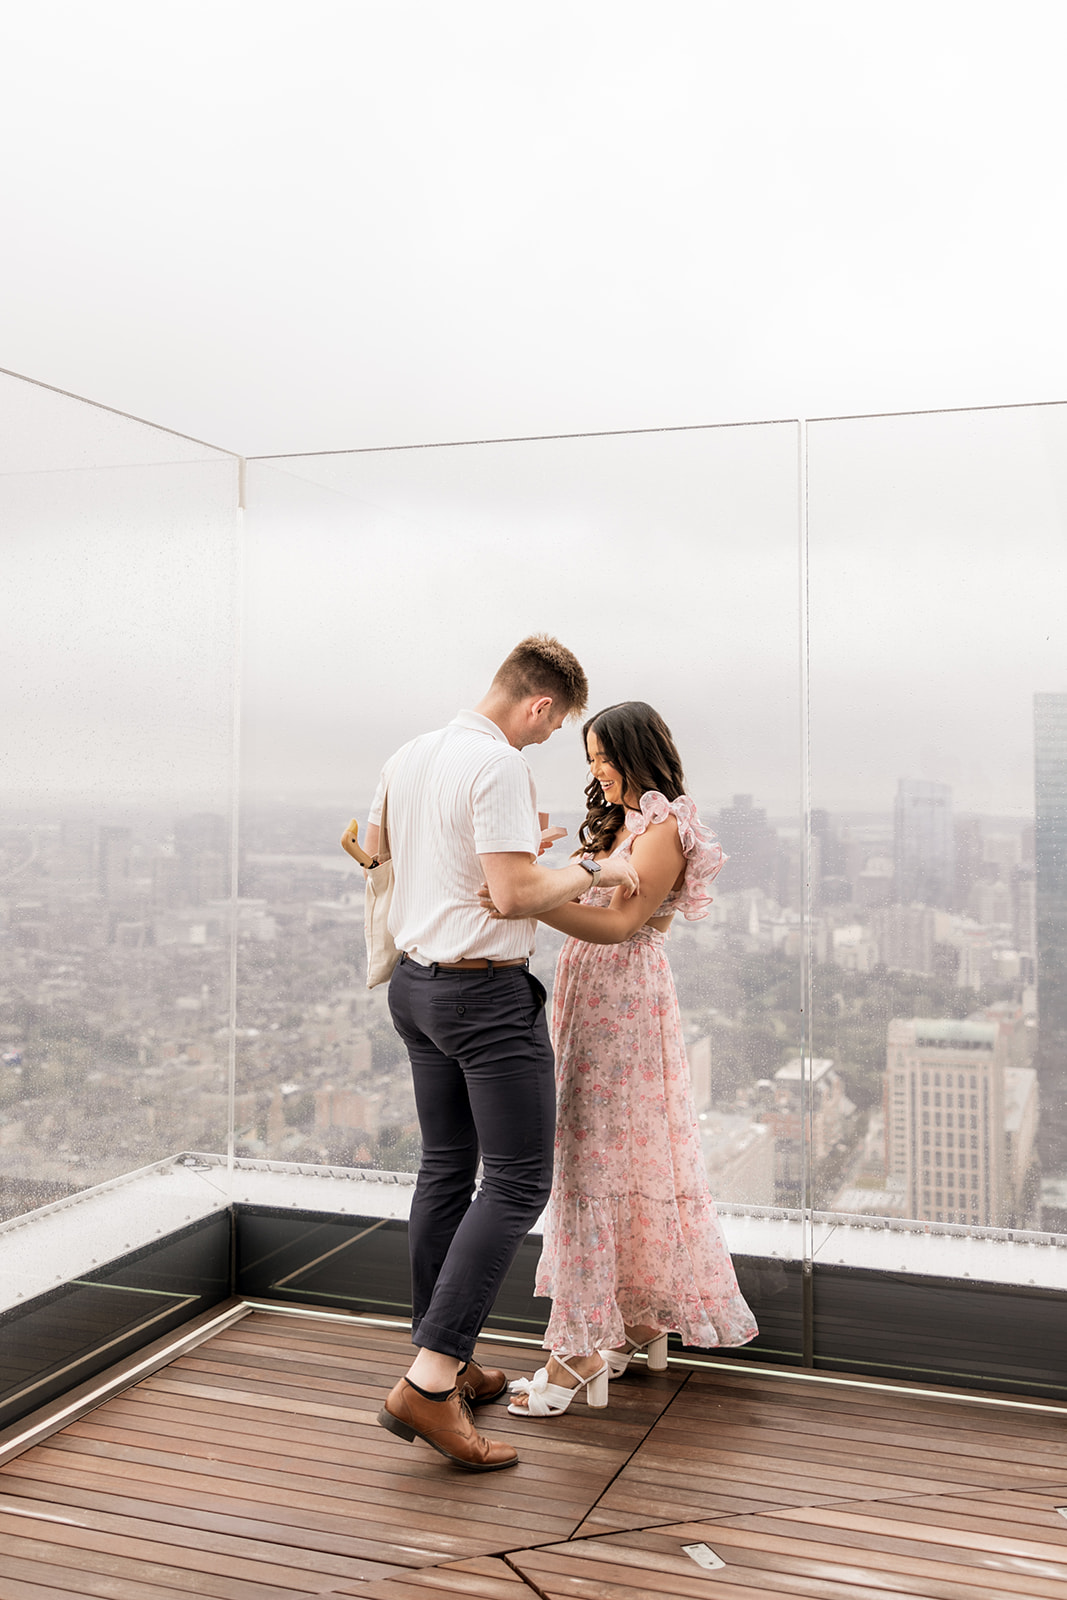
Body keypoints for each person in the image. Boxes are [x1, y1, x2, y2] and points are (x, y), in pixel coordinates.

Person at [360, 638, 640, 1470]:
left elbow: (371, 849)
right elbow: (514, 895)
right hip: (482, 996)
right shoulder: (497, 768)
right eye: (551, 731)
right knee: (516, 1182)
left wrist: (503, 859)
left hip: (415, 988)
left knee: (446, 1168)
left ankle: (443, 1356)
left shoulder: (409, 754)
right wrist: (596, 864)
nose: (543, 743)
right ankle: (431, 1383)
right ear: (541, 706)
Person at [487, 700, 758, 1418]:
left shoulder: (667, 824)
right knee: (617, 1150)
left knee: (590, 1151)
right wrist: (548, 875)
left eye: (603, 755)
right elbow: (598, 900)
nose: (595, 769)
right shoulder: (632, 823)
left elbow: (619, 924)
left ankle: (577, 1353)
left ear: (639, 753)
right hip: (594, 990)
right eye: (588, 758)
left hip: (622, 995)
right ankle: (635, 1324)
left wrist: (525, 901)